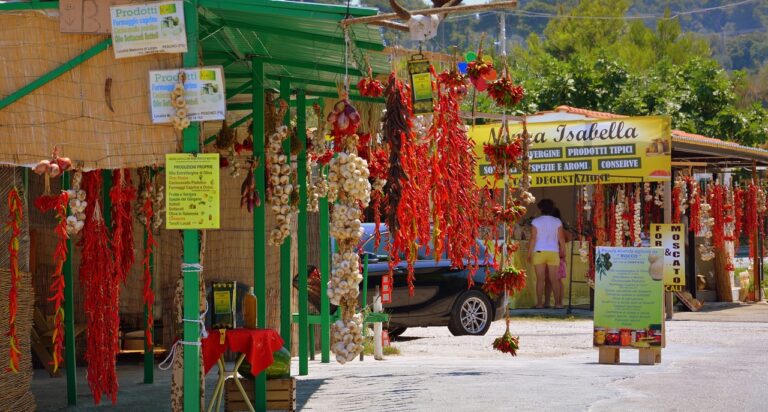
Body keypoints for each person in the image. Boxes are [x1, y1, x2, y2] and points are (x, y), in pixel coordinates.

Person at [527, 199, 566, 309]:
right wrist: (563, 250)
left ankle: (540, 303)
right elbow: (561, 238)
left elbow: (533, 239)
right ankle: (558, 303)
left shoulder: (536, 222)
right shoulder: (557, 221)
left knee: (540, 279)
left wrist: (529, 253)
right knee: (554, 279)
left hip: (539, 251)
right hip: (553, 251)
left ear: (541, 209)